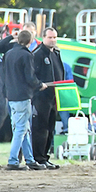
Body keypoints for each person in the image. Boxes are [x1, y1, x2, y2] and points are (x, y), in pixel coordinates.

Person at [5, 30, 48, 170]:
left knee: (24, 129)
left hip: (11, 96)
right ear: (30, 41)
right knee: (21, 129)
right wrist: (40, 85)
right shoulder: (26, 55)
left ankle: (29, 159)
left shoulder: (9, 53)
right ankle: (13, 160)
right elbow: (30, 77)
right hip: (23, 96)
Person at [31, 27, 64, 170]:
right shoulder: (37, 54)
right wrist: (39, 86)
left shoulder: (56, 53)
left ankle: (45, 157)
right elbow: (32, 75)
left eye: (55, 37)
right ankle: (38, 158)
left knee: (50, 128)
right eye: (50, 37)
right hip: (41, 97)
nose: (53, 40)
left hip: (54, 97)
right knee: (40, 128)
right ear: (43, 38)